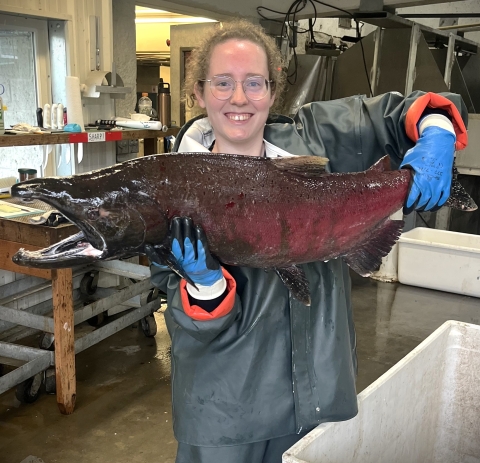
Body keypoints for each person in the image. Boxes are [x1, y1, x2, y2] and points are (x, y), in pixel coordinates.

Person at [147, 19, 468, 463]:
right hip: (224, 415)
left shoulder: (314, 136)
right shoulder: (171, 187)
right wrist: (204, 285)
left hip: (318, 399)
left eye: (254, 82)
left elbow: (416, 107)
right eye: (222, 83)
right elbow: (187, 322)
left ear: (273, 90)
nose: (239, 98)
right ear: (198, 93)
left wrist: (437, 134)